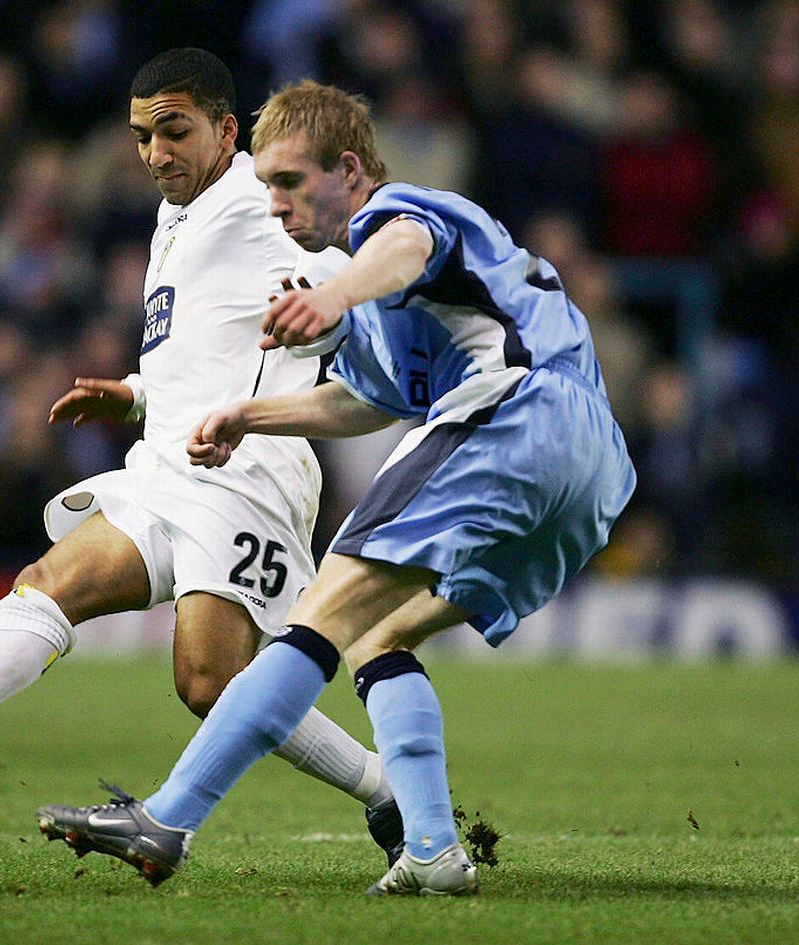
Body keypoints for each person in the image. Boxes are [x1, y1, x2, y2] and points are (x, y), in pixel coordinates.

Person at [35, 80, 637, 896]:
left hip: (518, 414)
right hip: (587, 466)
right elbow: (365, 401)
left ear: (348, 168)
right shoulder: (378, 297)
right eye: (267, 185)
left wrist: (333, 293)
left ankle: (168, 817)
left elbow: (407, 246)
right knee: (378, 634)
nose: (275, 203)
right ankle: (431, 846)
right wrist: (250, 414)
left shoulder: (400, 215)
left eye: (289, 181)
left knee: (317, 613)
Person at [0, 51, 404, 870]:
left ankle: (386, 789)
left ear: (227, 131)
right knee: (50, 582)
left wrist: (339, 305)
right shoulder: (173, 217)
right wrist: (134, 393)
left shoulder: (261, 199)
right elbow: (203, 350)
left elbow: (350, 262)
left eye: (173, 129)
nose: (154, 151)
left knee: (209, 684)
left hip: (248, 470)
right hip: (165, 457)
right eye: (141, 135)